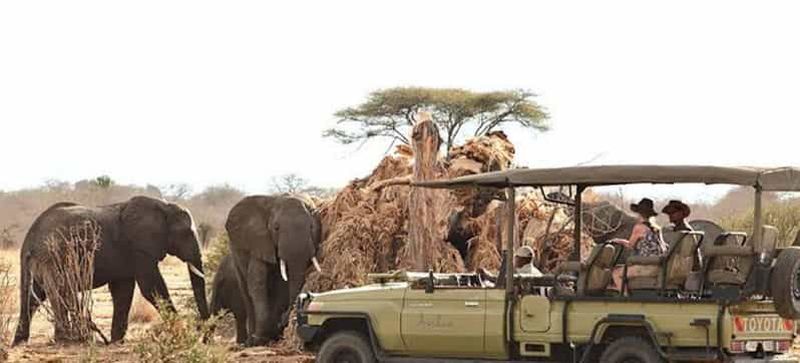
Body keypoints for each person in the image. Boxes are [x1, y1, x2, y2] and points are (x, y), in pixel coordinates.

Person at [610, 198, 668, 292]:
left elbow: (630, 245)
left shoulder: (639, 227)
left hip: (647, 266)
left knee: (616, 273)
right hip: (658, 266)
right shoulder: (657, 229)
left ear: (639, 213)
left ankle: (625, 297)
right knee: (622, 268)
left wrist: (618, 241)